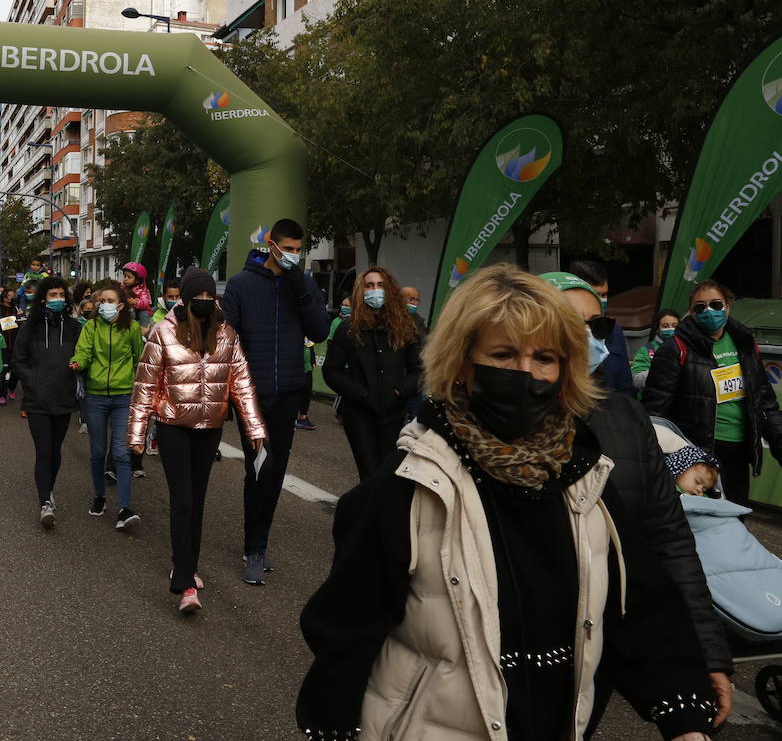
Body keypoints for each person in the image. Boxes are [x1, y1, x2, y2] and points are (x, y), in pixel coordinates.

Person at [296, 264, 717, 740]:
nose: (525, 373)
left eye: (545, 358)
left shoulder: (587, 478)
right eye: (502, 353)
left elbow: (639, 607)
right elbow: (343, 637)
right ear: (461, 363)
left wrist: (683, 714)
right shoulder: (405, 488)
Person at [544, 271, 734, 724]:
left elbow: (670, 540)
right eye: (570, 324)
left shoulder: (625, 416)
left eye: (597, 326)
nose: (587, 338)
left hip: (606, 635)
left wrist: (705, 653)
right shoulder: (491, 426)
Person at [129, 268, 266, 614]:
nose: (205, 303)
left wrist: (256, 430)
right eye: (198, 298)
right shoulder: (163, 333)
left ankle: (185, 563)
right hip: (174, 425)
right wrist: (137, 435)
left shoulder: (226, 333)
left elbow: (242, 383)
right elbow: (145, 387)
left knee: (198, 500)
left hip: (211, 428)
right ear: (185, 301)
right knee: (184, 499)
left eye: (210, 297)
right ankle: (186, 583)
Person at [222, 218, 329, 585]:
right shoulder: (240, 285)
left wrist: (300, 286)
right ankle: (253, 548)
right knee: (259, 468)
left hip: (287, 396)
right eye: (288, 249)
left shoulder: (303, 284)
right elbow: (226, 343)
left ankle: (259, 543)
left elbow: (319, 331)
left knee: (276, 470)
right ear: (272, 245)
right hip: (252, 395)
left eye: (299, 250)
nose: (293, 256)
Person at [644, 279, 782, 504]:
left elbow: (764, 400)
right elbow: (655, 413)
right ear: (692, 312)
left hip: (740, 451)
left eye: (716, 304)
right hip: (698, 455)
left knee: (736, 517)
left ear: (728, 306)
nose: (709, 311)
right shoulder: (675, 349)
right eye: (700, 307)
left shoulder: (744, 343)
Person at [323, 266, 423, 482]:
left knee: (388, 475)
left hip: (394, 414)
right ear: (361, 290)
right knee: (369, 475)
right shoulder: (348, 329)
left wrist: (398, 391)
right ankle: (367, 514)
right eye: (369, 285)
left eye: (380, 285)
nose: (375, 290)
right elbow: (331, 371)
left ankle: (377, 515)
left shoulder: (406, 327)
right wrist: (360, 394)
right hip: (359, 414)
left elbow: (419, 370)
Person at [70, 283, 144, 529]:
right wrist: (77, 363)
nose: (104, 305)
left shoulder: (132, 328)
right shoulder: (90, 327)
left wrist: (136, 383)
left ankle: (124, 508)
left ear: (121, 305)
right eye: (101, 301)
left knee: (122, 453)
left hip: (124, 397)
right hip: (96, 396)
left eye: (110, 301)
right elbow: (84, 352)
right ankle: (100, 496)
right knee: (98, 452)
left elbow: (139, 358)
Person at [13, 276, 82, 528]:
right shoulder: (29, 327)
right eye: (52, 295)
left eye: (61, 295)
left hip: (64, 399)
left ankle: (49, 490)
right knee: (43, 450)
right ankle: (45, 503)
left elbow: (83, 357)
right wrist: (33, 383)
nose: (58, 300)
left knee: (56, 450)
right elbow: (18, 360)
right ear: (43, 298)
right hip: (37, 401)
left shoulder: (75, 328)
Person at [567, 258, 634, 395]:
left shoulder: (614, 330)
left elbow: (624, 382)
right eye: (595, 294)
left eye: (604, 294)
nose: (601, 300)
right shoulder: (562, 331)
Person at [633, 309, 681, 392]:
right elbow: (636, 380)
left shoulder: (687, 348)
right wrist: (661, 369)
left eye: (675, 326)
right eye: (665, 326)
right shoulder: (647, 350)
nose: (671, 329)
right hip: (653, 400)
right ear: (657, 329)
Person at [121, 262, 153, 328]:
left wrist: (135, 302)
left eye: (129, 277)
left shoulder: (142, 290)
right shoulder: (122, 287)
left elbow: (146, 303)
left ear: (138, 280)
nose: (125, 279)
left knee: (144, 314)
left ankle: (145, 331)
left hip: (141, 310)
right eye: (125, 276)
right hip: (129, 309)